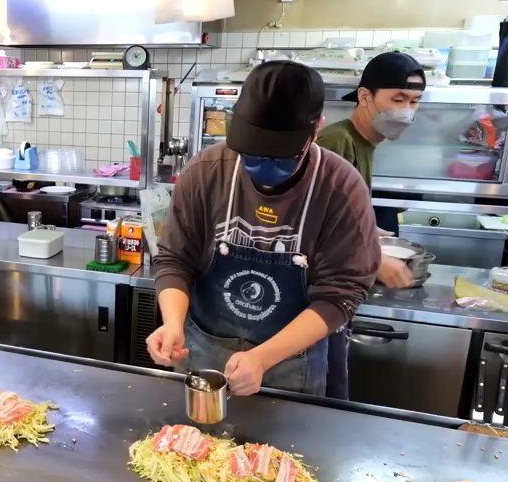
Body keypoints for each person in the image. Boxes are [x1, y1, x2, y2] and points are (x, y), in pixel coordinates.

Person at [147, 61, 380, 397]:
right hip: (203, 355)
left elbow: (340, 296)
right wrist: (171, 324)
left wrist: (262, 358)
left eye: (282, 158)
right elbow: (174, 260)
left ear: (316, 131)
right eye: (251, 155)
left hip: (290, 365)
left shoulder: (341, 189)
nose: (261, 168)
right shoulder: (206, 172)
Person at [317, 51, 426, 289]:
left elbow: (340, 212)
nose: (407, 111)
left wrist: (369, 231)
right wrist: (373, 260)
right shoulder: (337, 140)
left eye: (414, 101)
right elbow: (313, 223)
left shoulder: (365, 142)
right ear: (365, 97)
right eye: (398, 100)